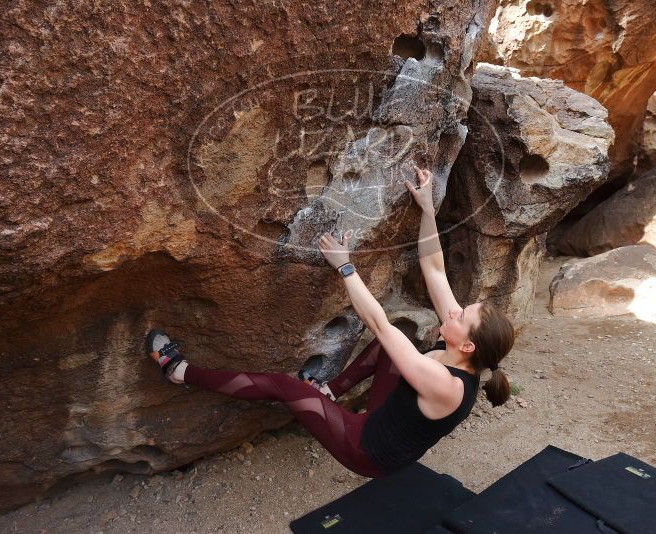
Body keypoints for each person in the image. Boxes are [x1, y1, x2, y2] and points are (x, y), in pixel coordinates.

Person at [146, 165, 516, 478]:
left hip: (367, 450)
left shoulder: (447, 386)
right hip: (387, 416)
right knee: (389, 347)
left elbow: (379, 323)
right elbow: (434, 269)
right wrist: (428, 209)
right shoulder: (460, 349)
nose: (453, 310)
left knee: (285, 386)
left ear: (467, 345)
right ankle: (330, 391)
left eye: (461, 315)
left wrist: (345, 267)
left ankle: (179, 372)